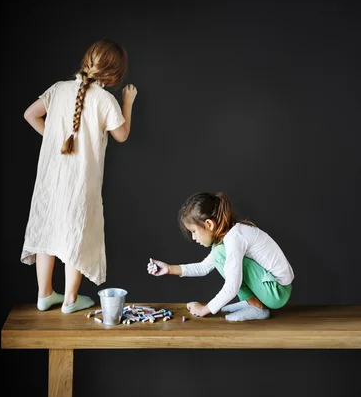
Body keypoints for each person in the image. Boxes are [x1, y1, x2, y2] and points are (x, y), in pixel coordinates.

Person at [21, 38, 138, 314]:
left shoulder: (58, 90)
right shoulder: (105, 99)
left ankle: (44, 294)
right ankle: (71, 299)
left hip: (51, 177)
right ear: (113, 75)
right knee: (75, 232)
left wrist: (54, 139)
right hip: (80, 182)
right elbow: (122, 135)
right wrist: (128, 102)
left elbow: (29, 114)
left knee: (48, 230)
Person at [147, 192, 294, 321]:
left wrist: (205, 309)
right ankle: (252, 302)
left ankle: (257, 308)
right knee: (219, 253)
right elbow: (203, 267)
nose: (193, 238)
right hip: (272, 288)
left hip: (277, 291)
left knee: (219, 254)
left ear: (209, 224)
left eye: (193, 231)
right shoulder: (228, 238)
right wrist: (169, 269)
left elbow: (232, 285)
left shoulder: (234, 238)